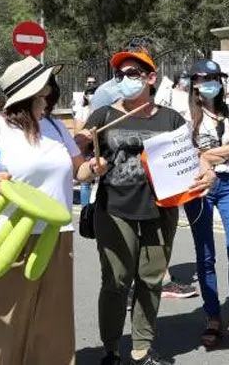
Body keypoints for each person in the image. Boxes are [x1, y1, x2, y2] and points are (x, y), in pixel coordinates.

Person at [78, 49, 215, 365]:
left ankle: (141, 348)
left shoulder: (171, 118)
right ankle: (111, 349)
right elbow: (82, 148)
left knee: (151, 280)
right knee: (115, 281)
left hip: (161, 209)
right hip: (114, 210)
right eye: (120, 75)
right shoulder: (105, 115)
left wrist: (206, 174)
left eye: (132, 73)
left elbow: (192, 158)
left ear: (151, 78)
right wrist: (87, 154)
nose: (125, 79)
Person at [0, 57, 81, 365]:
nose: (53, 89)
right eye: (47, 85)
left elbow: (80, 171)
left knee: (51, 326)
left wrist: (95, 167)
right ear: (33, 93)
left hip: (56, 235)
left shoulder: (56, 127)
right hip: (5, 234)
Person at [183, 59, 229, 348]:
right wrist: (207, 157)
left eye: (216, 78)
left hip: (228, 184)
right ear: (194, 83)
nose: (212, 83)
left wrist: (208, 154)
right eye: (205, 78)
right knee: (206, 256)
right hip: (198, 188)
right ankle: (213, 316)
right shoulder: (185, 114)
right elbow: (185, 152)